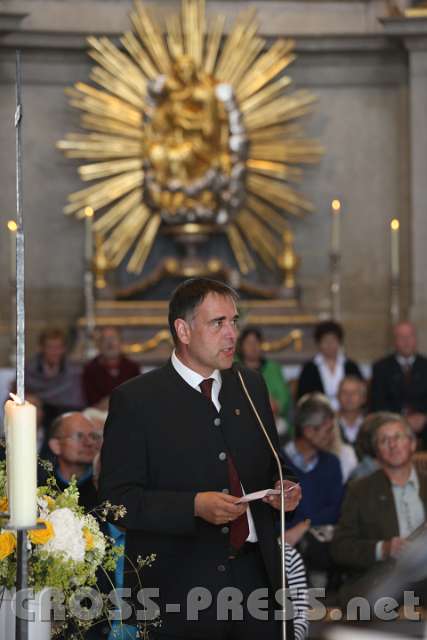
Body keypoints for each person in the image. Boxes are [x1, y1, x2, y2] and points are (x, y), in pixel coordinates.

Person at [99, 277, 301, 640]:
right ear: (184, 330)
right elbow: (117, 501)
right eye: (218, 323)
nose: (231, 335)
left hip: (256, 579)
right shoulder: (137, 400)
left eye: (234, 322)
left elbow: (274, 462)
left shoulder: (249, 384)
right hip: (179, 589)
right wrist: (192, 506)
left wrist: (281, 487)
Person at [331, 413, 427, 604]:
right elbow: (340, 548)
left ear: (412, 444)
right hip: (384, 582)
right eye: (384, 440)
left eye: (398, 437)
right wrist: (383, 548)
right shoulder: (359, 490)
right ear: (377, 452)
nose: (392, 445)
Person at [370, 321, 427, 441]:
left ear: (416, 339)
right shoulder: (381, 368)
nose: (406, 341)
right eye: (401, 337)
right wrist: (401, 420)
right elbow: (377, 404)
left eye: (410, 336)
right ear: (394, 341)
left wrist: (424, 418)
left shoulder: (425, 365)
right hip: (392, 427)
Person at [236, 326, 292, 437]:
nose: (253, 347)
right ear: (241, 346)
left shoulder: (273, 368)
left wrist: (274, 406)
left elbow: (284, 399)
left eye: (256, 342)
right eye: (249, 343)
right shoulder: (233, 368)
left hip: (272, 418)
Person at [40, 411, 101, 512]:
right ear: (56, 445)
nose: (89, 442)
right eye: (79, 436)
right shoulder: (42, 487)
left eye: (93, 436)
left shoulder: (102, 485)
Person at [296, 321, 362, 411]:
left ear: (340, 342)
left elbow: (361, 394)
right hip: (318, 415)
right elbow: (304, 398)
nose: (330, 345)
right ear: (318, 343)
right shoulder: (309, 368)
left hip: (348, 413)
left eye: (333, 340)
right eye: (325, 341)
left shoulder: (351, 366)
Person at [25, 328, 84, 427]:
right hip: (41, 411)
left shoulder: (73, 370)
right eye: (50, 347)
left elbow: (76, 399)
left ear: (64, 349)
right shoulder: (30, 368)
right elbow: (24, 393)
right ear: (41, 348)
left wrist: (41, 397)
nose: (54, 352)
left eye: (58, 347)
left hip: (66, 409)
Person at [82, 326, 140, 410]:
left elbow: (137, 397)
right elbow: (91, 402)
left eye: (113, 338)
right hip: (98, 415)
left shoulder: (132, 368)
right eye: (105, 339)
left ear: (121, 343)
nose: (110, 343)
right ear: (99, 345)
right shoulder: (90, 369)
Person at [337, 376, 367, 446]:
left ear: (363, 398)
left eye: (354, 393)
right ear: (338, 396)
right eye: (344, 392)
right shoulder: (329, 424)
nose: (349, 396)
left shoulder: (370, 424)